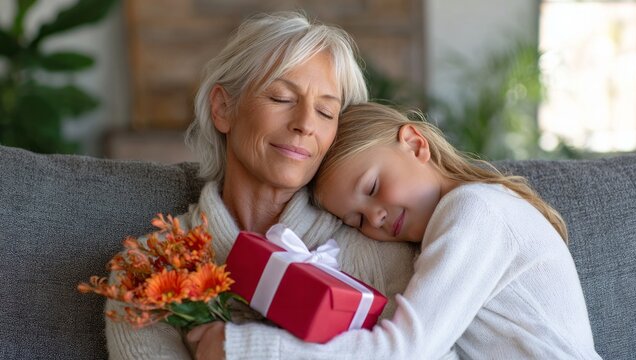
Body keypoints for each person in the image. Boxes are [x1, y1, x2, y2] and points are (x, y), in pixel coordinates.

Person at [105, 13, 420, 360]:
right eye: (282, 98)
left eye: (326, 113)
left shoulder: (382, 250)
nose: (305, 124)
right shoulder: (147, 269)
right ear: (223, 108)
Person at [192, 102, 601, 359]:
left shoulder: (475, 210)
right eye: (357, 220)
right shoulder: (438, 239)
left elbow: (407, 349)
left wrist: (244, 348)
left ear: (415, 144)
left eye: (371, 188)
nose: (376, 219)